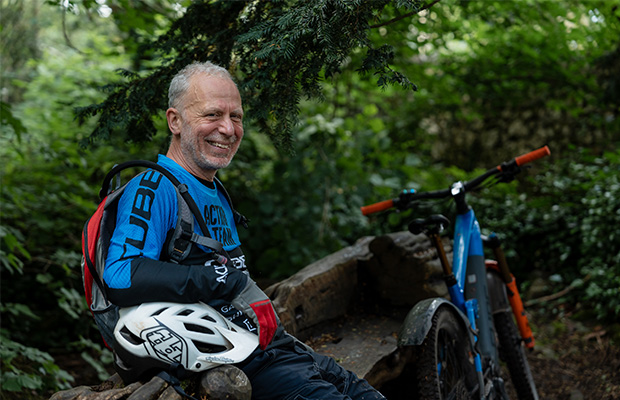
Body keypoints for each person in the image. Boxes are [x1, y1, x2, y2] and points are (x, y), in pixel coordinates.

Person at [102, 61, 386, 400]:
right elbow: (120, 275)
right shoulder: (153, 187)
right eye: (212, 115)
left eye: (235, 117)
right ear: (175, 121)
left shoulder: (214, 190)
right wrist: (226, 281)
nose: (227, 128)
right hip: (229, 359)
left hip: (272, 346)